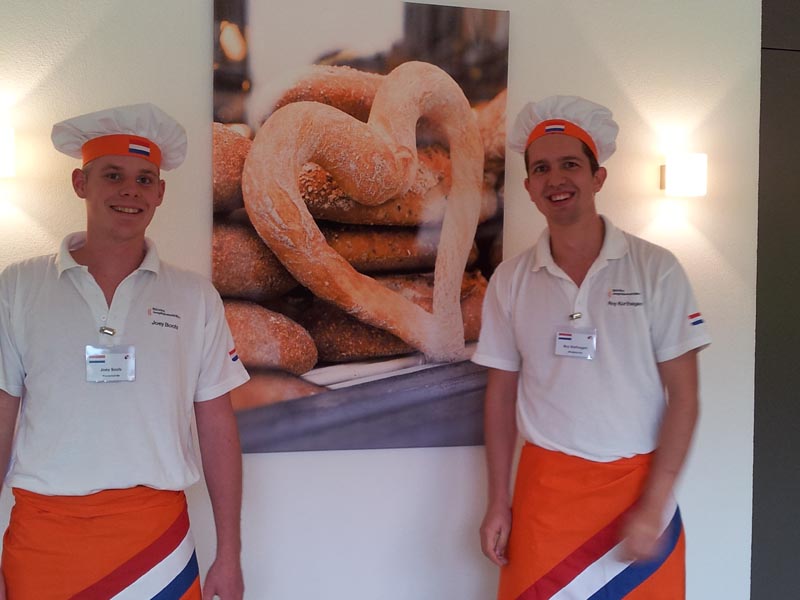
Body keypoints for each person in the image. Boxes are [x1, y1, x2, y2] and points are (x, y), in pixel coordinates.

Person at [0, 103, 250, 600]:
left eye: (144, 179)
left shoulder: (194, 297)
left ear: (160, 193)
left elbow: (218, 427)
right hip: (44, 538)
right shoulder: (18, 288)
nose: (130, 191)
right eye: (112, 175)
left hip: (157, 545)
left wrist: (230, 553)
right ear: (80, 183)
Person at [473, 96, 711, 599]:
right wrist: (497, 500)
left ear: (598, 177)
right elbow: (500, 395)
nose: (555, 179)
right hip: (544, 498)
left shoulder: (656, 269)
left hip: (638, 494)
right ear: (528, 188)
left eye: (570, 164)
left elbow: (685, 398)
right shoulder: (510, 280)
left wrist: (654, 503)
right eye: (541, 168)